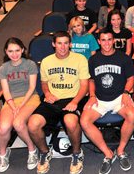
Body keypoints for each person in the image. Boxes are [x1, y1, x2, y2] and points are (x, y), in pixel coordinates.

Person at [28, 31, 89, 174]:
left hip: (72, 98)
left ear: (70, 44)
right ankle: (44, 152)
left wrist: (75, 101)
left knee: (71, 121)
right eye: (59, 43)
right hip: (53, 99)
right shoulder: (46, 61)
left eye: (66, 43)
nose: (63, 47)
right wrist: (48, 93)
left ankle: (76, 153)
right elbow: (44, 83)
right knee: (32, 124)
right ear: (53, 44)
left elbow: (84, 86)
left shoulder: (80, 59)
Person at [80, 29, 134, 174]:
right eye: (103, 40)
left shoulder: (124, 58)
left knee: (131, 115)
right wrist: (92, 95)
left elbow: (131, 79)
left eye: (109, 39)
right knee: (84, 121)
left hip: (119, 97)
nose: (106, 43)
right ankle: (108, 153)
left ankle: (120, 150)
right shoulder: (93, 60)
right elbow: (91, 80)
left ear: (114, 41)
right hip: (100, 99)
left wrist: (125, 92)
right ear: (99, 42)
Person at [0, 38, 40, 172]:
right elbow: (6, 91)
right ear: (6, 52)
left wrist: (20, 106)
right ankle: (3, 154)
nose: (14, 54)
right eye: (10, 51)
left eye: (17, 50)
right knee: (3, 127)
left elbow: (32, 87)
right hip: (12, 101)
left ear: (22, 50)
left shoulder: (30, 64)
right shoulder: (3, 68)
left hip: (30, 98)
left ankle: (32, 149)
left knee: (18, 123)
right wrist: (12, 106)